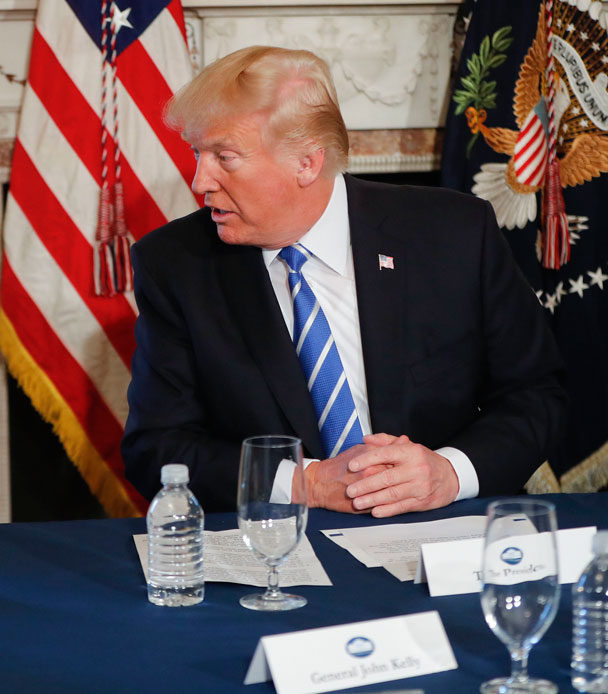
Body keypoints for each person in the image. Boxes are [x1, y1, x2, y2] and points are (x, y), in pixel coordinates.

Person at [122, 46, 566, 517]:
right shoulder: (176, 264)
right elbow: (157, 447)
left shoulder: (454, 233)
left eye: (224, 157)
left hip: (443, 529)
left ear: (307, 163)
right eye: (198, 153)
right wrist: (304, 484)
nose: (199, 180)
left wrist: (449, 473)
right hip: (280, 544)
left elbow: (537, 394)